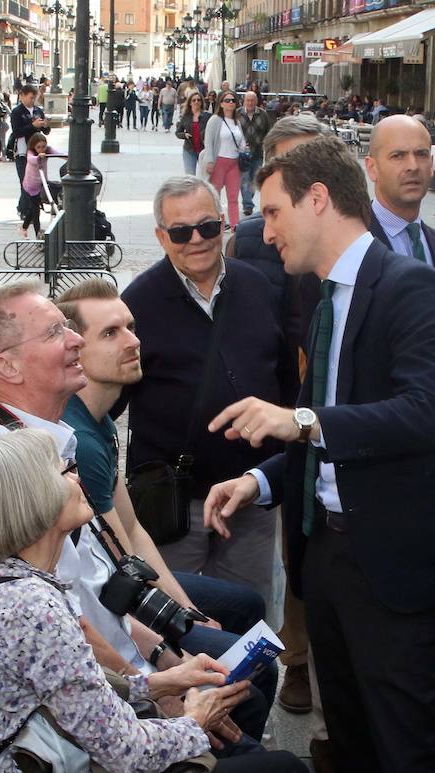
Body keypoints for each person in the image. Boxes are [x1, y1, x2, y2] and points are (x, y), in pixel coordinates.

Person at [0, 427, 308, 773]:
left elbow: (70, 695)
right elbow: (127, 752)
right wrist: (195, 719)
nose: (75, 477)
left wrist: (163, 682)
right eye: (62, 471)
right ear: (31, 501)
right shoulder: (32, 608)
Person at [204, 135, 435, 773]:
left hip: (392, 577)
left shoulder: (407, 288)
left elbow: (420, 411)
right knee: (360, 766)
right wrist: (261, 483)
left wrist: (297, 423)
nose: (262, 231)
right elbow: (323, 428)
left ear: (315, 199)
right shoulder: (320, 300)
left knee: (411, 766)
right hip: (326, 567)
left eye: (271, 212)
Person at [0, 282, 276, 743]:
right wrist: (158, 689)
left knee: (243, 653)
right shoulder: (10, 467)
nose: (74, 339)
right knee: (272, 771)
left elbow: (107, 570)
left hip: (123, 656)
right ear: (6, 366)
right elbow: (69, 624)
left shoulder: (59, 438)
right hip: (95, 707)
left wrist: (168, 654)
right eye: (56, 333)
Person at [56, 277, 277, 666]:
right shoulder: (81, 443)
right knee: (257, 674)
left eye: (131, 327)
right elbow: (119, 562)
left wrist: (189, 609)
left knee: (246, 604)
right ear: (74, 350)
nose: (133, 341)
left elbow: (133, 530)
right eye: (111, 333)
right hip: (102, 607)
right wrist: (179, 630)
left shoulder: (100, 420)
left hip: (118, 580)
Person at [120, 176, 298, 615]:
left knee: (248, 616)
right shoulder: (137, 304)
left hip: (250, 497)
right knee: (168, 622)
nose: (196, 240)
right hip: (174, 504)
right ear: (162, 238)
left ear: (224, 224)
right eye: (181, 232)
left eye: (207, 227)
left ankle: (246, 684)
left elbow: (287, 383)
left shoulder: (259, 287)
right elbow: (109, 399)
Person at [225, 115, 329, 751]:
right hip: (279, 400)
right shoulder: (250, 238)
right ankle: (295, 661)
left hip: (321, 400)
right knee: (296, 539)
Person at [365, 114, 435, 264]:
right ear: (372, 168)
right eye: (398, 156)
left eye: (421, 154)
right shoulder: (347, 245)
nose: (413, 166)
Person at [204, 91, 246, 231]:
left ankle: (235, 225)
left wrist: (245, 149)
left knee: (233, 196)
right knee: (215, 195)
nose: (230, 103)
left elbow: (242, 142)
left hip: (234, 162)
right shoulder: (215, 120)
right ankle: (218, 223)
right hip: (219, 161)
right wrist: (210, 160)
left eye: (233, 100)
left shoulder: (237, 122)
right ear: (221, 103)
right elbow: (208, 142)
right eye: (227, 100)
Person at [10, 85, 49, 219]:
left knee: (34, 183)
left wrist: (45, 125)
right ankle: (25, 211)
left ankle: (26, 209)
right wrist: (32, 126)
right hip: (22, 151)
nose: (33, 100)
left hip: (37, 152)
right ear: (22, 96)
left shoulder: (38, 110)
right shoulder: (17, 112)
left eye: (35, 98)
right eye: (31, 97)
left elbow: (46, 132)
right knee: (25, 182)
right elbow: (16, 132)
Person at [19, 133, 66, 238]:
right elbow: (31, 159)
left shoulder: (48, 150)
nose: (42, 149)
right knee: (36, 211)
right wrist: (38, 158)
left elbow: (59, 154)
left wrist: (70, 158)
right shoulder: (30, 152)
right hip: (31, 185)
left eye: (43, 146)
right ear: (33, 147)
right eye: (38, 147)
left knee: (34, 208)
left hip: (42, 183)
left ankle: (24, 227)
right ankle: (38, 234)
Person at [238, 90, 271, 217]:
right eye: (248, 100)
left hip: (257, 153)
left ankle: (248, 198)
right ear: (244, 101)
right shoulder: (238, 114)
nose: (250, 103)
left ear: (256, 102)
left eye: (252, 100)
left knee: (254, 179)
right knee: (244, 178)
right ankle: (248, 205)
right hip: (242, 154)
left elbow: (268, 133)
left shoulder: (263, 115)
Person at [176, 90, 210, 176]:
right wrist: (184, 135)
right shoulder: (186, 117)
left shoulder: (207, 116)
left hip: (203, 150)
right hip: (189, 150)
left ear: (201, 102)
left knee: (205, 176)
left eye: (198, 100)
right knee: (190, 177)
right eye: (194, 100)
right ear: (190, 103)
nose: (196, 102)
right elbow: (178, 132)